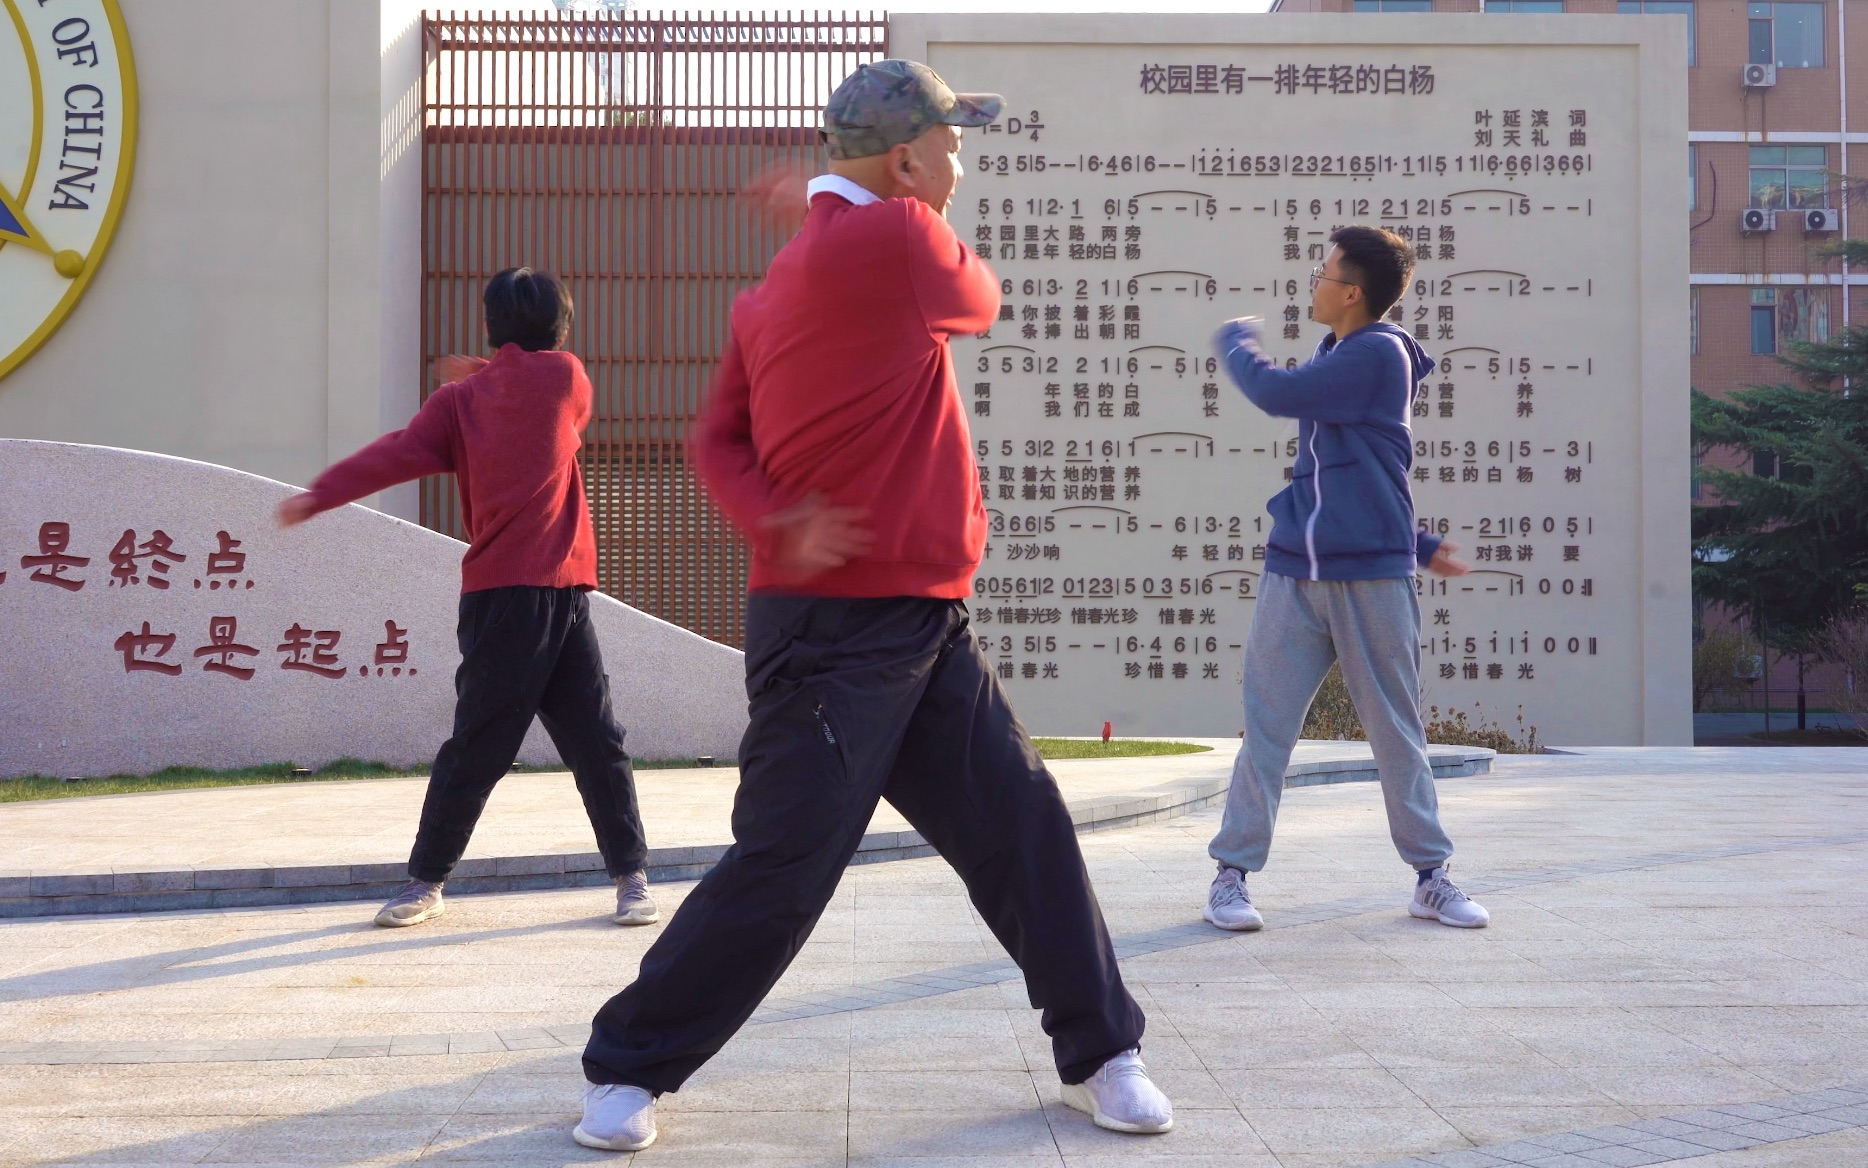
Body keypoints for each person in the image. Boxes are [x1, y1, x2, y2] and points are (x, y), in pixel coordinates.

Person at [570, 60, 1172, 1154]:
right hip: (842, 635)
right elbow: (980, 300)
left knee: (1022, 822)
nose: (960, 161)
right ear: (904, 161)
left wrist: (773, 518)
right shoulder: (899, 240)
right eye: (949, 144)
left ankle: (1101, 1051)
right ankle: (625, 1067)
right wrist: (882, 215)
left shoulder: (774, 288)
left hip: (908, 619)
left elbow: (716, 442)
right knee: (786, 860)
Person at [277, 268, 657, 932]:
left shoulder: (458, 403)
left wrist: (321, 493)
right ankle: (627, 879)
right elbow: (544, 400)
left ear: (490, 326)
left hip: (517, 597)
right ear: (562, 328)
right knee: (595, 743)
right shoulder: (568, 379)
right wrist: (487, 368)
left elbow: (394, 455)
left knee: (486, 746)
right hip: (548, 592)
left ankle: (429, 882)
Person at [1202, 226, 1491, 934]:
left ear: (1352, 292)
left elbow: (1274, 393)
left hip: (1369, 583)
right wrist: (1420, 543)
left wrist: (1236, 344)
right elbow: (1356, 475)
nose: (1315, 280)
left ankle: (1431, 878)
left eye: (1324, 271)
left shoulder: (1377, 354)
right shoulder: (1339, 352)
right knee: (1266, 731)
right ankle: (1230, 878)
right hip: (1294, 573)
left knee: (1395, 732)